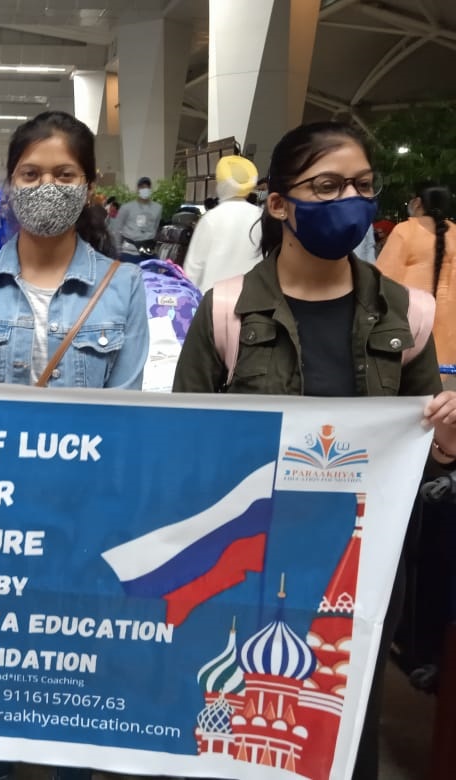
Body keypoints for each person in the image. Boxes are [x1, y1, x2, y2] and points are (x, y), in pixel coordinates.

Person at [172, 120, 456, 780]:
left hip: (363, 563)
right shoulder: (228, 310)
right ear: (278, 203)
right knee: (239, 715)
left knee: (342, 718)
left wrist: (445, 437)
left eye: (362, 185)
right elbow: (187, 441)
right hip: (251, 559)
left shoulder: (406, 314)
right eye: (326, 187)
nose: (349, 201)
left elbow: (424, 451)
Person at [0, 110, 150, 779]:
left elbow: (123, 414)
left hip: (81, 521)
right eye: (30, 174)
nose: (46, 188)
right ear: (8, 183)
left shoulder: (124, 286)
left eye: (64, 174)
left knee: (75, 670)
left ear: (91, 184)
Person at [377, 183, 456, 365]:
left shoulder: (405, 230)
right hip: (448, 323)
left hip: (410, 318)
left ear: (418, 202)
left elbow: (383, 278)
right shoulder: (454, 233)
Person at [184, 155, 263, 292]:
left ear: (222, 184)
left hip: (212, 298)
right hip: (251, 297)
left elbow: (194, 268)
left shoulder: (211, 218)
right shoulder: (261, 216)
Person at [111, 176, 162, 262]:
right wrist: (118, 251)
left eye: (147, 187)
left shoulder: (157, 208)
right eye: (142, 187)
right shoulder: (126, 208)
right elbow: (117, 229)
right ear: (138, 189)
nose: (145, 190)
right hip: (129, 252)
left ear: (150, 189)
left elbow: (155, 227)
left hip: (149, 252)